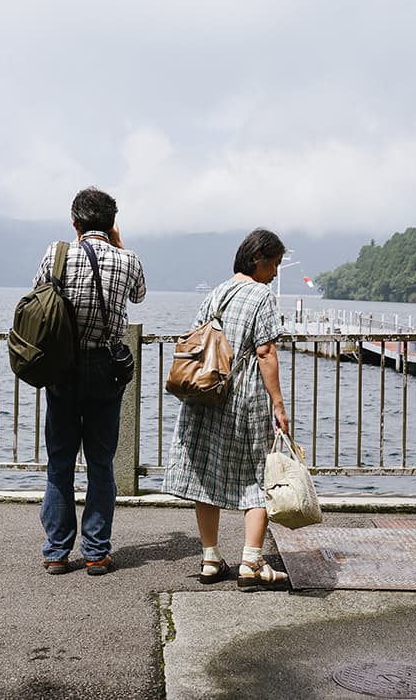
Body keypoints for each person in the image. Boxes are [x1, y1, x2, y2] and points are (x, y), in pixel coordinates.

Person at [162, 228, 291, 590]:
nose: (276, 272)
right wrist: (279, 405)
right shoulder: (261, 296)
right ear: (259, 260)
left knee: (206, 473)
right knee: (258, 474)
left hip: (207, 393)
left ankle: (210, 558)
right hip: (243, 396)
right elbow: (265, 353)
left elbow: (198, 340)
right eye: (275, 264)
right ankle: (251, 561)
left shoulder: (216, 293)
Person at [33, 187, 146, 576]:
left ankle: (57, 552)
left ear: (76, 223)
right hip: (105, 368)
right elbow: (140, 295)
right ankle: (97, 551)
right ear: (112, 223)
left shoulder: (56, 254)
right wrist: (120, 244)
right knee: (101, 462)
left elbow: (38, 299)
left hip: (63, 367)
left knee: (59, 462)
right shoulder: (128, 260)